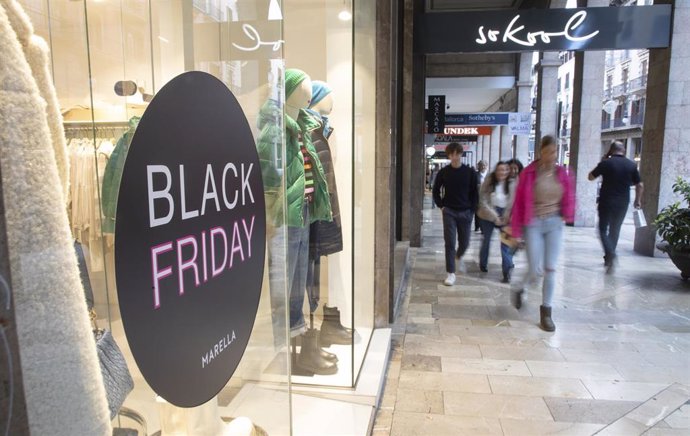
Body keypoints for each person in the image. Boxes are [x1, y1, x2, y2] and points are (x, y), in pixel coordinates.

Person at [511, 135, 575, 332]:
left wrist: (568, 214)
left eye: (555, 152)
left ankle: (546, 312)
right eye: (548, 152)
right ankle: (519, 287)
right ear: (541, 152)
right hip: (534, 224)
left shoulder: (562, 173)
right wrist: (515, 230)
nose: (551, 156)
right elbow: (519, 203)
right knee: (534, 270)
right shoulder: (529, 173)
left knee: (550, 268)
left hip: (554, 223)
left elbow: (570, 195)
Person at [588, 141, 643, 273]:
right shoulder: (631, 165)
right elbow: (640, 185)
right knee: (615, 229)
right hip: (622, 202)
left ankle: (610, 254)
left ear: (611, 151)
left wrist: (603, 161)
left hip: (606, 202)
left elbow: (590, 177)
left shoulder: (606, 163)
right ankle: (609, 255)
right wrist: (638, 200)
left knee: (602, 229)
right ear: (623, 150)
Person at [433, 142, 479, 286]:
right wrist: (441, 206)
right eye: (451, 154)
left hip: (466, 212)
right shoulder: (444, 172)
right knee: (450, 242)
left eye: (457, 153)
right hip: (449, 212)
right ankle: (450, 273)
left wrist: (472, 210)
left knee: (465, 242)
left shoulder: (469, 172)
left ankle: (458, 257)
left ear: (460, 154)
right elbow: (435, 190)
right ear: (448, 155)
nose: (454, 156)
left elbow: (474, 193)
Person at [477, 161, 517, 282]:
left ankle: (507, 271)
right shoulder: (489, 181)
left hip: (506, 215)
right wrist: (495, 217)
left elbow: (512, 202)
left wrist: (506, 216)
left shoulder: (512, 183)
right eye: (500, 170)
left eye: (505, 170)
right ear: (496, 170)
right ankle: (483, 263)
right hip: (488, 214)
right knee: (487, 240)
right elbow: (483, 200)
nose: (503, 172)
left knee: (506, 243)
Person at [475, 160, 488, 232]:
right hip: (477, 197)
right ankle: (477, 226)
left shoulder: (489, 176)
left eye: (484, 165)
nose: (483, 167)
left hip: (486, 198)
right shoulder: (475, 175)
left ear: (487, 166)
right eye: (481, 165)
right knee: (477, 212)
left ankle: (483, 228)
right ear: (478, 167)